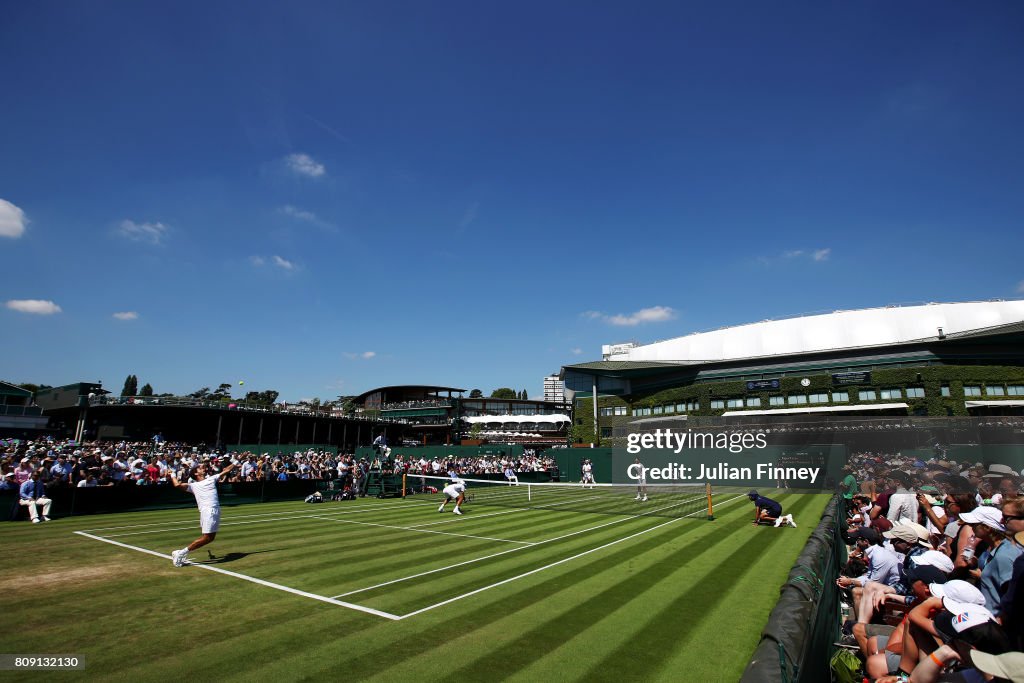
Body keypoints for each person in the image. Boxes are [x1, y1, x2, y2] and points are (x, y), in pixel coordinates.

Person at [168, 457, 237, 567]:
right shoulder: (193, 486)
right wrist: (172, 474)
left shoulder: (211, 478)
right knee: (207, 538)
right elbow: (177, 485)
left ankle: (181, 553)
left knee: (210, 538)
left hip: (214, 510)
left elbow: (227, 470)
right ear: (196, 473)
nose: (202, 467)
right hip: (208, 511)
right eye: (200, 468)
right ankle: (180, 553)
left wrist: (238, 460)